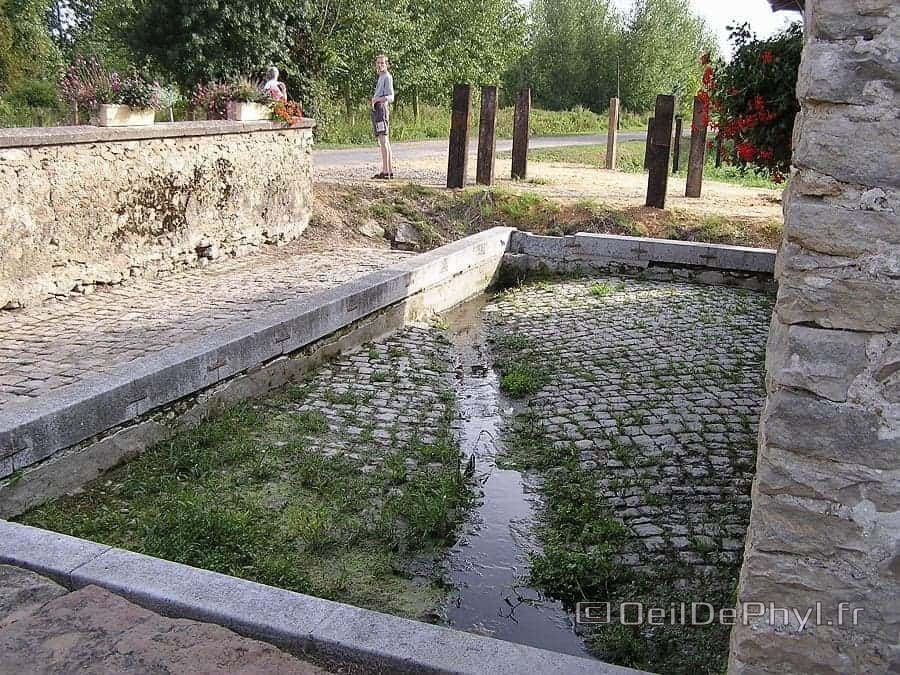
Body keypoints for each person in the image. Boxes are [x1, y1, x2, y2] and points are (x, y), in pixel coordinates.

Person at [371, 54, 394, 179]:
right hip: (378, 109)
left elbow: (391, 97)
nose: (380, 65)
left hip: (382, 109)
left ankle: (387, 171)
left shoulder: (387, 77)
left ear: (387, 64)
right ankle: (387, 170)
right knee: (383, 140)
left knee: (384, 139)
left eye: (382, 63)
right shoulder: (381, 77)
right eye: (378, 63)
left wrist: (377, 100)